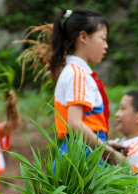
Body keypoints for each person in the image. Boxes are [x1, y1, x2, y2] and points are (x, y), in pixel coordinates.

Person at [50, 7, 123, 163]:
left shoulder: (75, 72)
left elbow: (86, 124)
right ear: (83, 37)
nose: (106, 45)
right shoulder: (77, 74)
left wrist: (105, 144)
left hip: (85, 150)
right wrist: (107, 151)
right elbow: (75, 124)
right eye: (103, 38)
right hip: (83, 157)